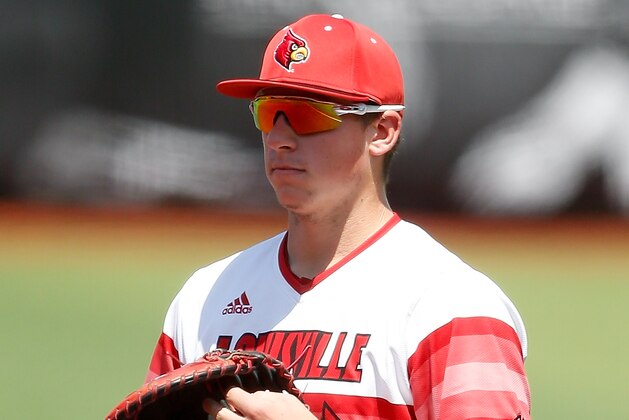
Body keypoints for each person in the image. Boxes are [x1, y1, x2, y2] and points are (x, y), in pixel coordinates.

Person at [146, 13, 531, 419]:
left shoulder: (452, 306)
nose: (279, 138)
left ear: (382, 131)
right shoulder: (205, 297)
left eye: (307, 115)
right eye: (268, 111)